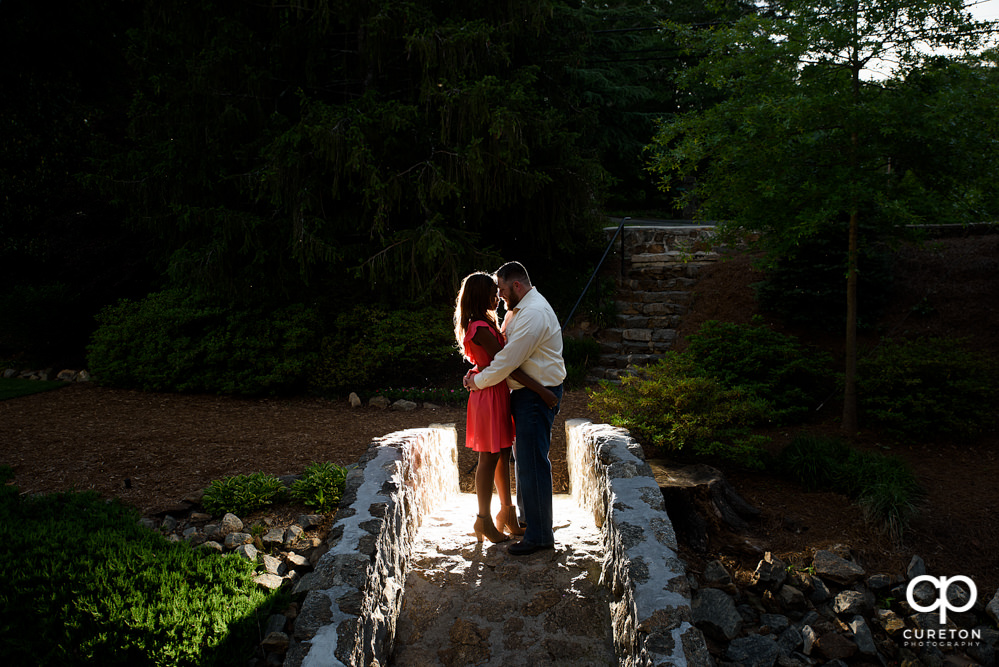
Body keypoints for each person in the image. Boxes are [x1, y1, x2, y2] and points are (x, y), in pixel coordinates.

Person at [462, 261, 566, 555]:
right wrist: (478, 376)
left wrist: (478, 380)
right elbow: (497, 357)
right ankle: (523, 520)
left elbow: (507, 361)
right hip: (516, 393)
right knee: (519, 459)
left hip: (532, 396)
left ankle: (539, 535)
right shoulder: (518, 309)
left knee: (531, 463)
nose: (500, 296)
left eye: (503, 289)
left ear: (516, 285)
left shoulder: (532, 313)